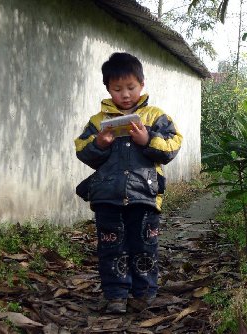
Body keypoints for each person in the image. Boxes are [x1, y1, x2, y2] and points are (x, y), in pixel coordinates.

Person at [74, 52, 182, 314]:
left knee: (144, 245)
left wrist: (148, 140)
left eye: (131, 88)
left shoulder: (155, 117)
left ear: (142, 85)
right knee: (111, 246)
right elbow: (82, 150)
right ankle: (116, 295)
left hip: (144, 195)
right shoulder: (99, 122)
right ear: (108, 89)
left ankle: (143, 294)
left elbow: (173, 145)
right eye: (117, 89)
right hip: (107, 198)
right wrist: (100, 143)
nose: (125, 94)